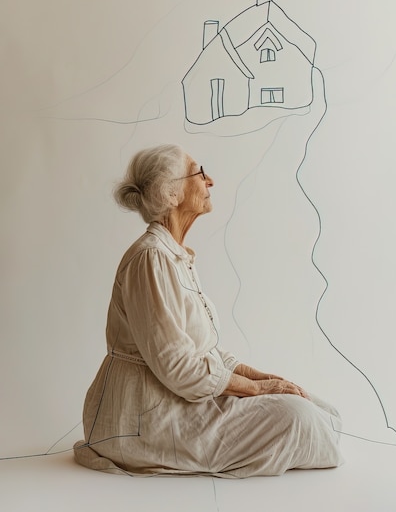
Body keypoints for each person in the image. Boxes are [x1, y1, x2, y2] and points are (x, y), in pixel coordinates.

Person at [74, 144, 342, 477]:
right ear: (171, 194)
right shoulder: (151, 258)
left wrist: (264, 378)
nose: (210, 181)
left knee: (318, 409)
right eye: (200, 173)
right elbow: (179, 368)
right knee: (299, 419)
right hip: (140, 420)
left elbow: (203, 351)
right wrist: (258, 391)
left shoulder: (173, 256)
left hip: (171, 399)